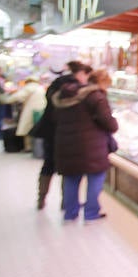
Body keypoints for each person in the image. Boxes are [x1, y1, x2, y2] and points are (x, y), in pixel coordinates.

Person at [51, 67, 118, 222]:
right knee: (95, 177)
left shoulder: (64, 96)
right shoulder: (96, 96)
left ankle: (70, 212)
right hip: (91, 146)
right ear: (103, 82)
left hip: (66, 143)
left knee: (71, 178)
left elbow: (55, 119)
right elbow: (110, 124)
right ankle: (91, 212)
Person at [31, 61, 89, 210]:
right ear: (80, 73)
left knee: (48, 165)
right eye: (85, 75)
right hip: (68, 133)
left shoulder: (55, 84)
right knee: (68, 168)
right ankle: (67, 202)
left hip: (49, 130)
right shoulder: (78, 89)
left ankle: (41, 199)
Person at [7, 76, 47, 152]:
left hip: (31, 110)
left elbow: (18, 96)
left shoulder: (29, 87)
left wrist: (6, 100)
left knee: (27, 128)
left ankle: (28, 147)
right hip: (42, 109)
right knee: (38, 128)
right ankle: (39, 147)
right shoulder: (40, 87)